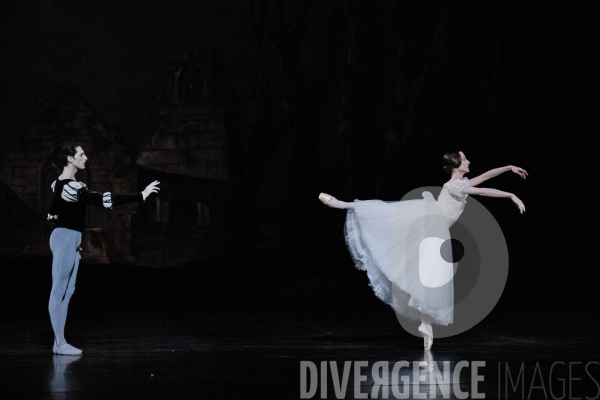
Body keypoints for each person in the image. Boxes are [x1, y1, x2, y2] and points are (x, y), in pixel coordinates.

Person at [318, 151, 527, 350]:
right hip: (430, 221)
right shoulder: (455, 185)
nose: (468, 161)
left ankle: (425, 324)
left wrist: (508, 167)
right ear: (455, 164)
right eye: (464, 159)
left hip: (436, 227)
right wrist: (510, 195)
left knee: (426, 276)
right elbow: (481, 190)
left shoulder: (461, 182)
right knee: (388, 214)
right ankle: (341, 204)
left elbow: (483, 177)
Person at [47, 142, 160, 355]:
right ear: (69, 159)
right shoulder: (70, 186)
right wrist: (140, 195)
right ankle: (60, 343)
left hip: (68, 239)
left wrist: (72, 241)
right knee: (59, 290)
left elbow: (53, 213)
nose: (85, 157)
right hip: (65, 238)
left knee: (68, 291)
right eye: (81, 154)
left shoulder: (61, 185)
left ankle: (57, 342)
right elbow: (103, 200)